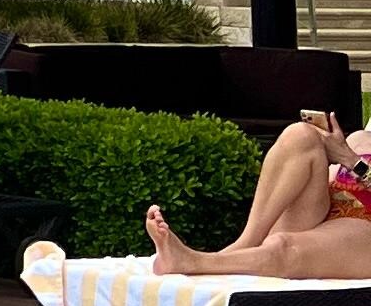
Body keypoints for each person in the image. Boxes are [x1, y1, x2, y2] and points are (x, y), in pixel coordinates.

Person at [143, 113, 371, 278]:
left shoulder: (355, 149)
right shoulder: (361, 137)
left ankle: (194, 261)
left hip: (363, 227)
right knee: (300, 134)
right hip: (329, 207)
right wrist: (324, 151)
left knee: (282, 246)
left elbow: (352, 164)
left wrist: (351, 160)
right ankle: (246, 242)